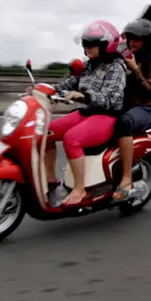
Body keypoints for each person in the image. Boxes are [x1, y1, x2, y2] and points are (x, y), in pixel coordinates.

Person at [45, 20, 127, 207]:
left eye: (91, 44)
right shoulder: (88, 66)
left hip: (106, 116)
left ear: (106, 45)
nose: (86, 48)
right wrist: (42, 90)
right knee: (45, 132)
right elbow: (65, 85)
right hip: (86, 113)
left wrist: (83, 96)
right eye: (85, 43)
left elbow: (109, 98)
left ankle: (79, 189)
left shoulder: (116, 67)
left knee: (71, 138)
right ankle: (51, 179)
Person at [112, 19, 151, 201]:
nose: (132, 42)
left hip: (144, 108)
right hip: (124, 105)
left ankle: (126, 178)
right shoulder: (123, 58)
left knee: (124, 123)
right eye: (130, 38)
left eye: (137, 39)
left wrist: (135, 70)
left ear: (147, 40)